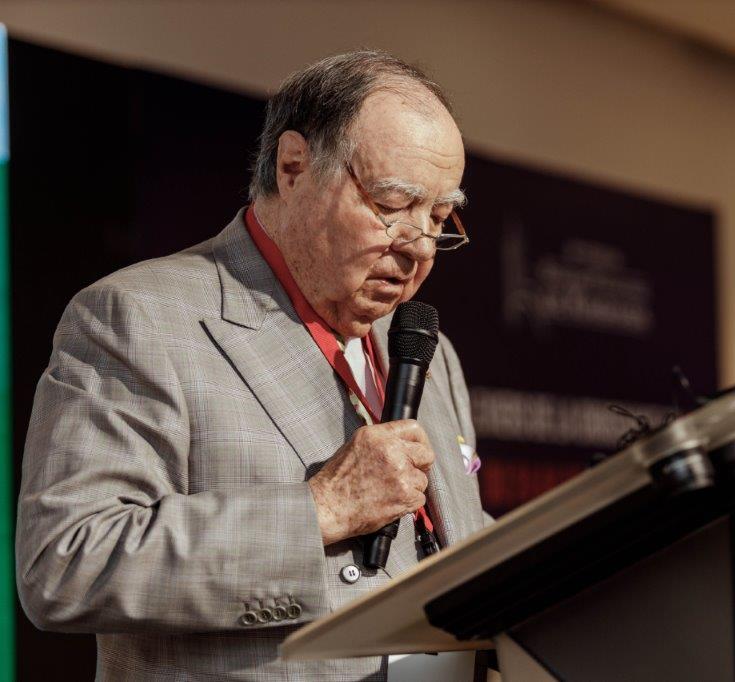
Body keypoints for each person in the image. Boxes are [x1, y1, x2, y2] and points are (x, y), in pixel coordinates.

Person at [15, 51, 486, 680]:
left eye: (437, 218)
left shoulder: (430, 350)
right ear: (294, 168)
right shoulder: (139, 317)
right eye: (392, 206)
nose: (418, 249)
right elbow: (66, 565)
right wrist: (319, 511)